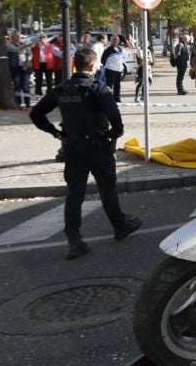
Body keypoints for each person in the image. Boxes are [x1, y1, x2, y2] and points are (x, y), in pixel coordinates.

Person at [30, 46, 142, 260]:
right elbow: (114, 115)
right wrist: (115, 133)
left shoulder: (62, 89)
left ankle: (74, 241)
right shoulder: (97, 87)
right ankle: (120, 225)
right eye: (97, 63)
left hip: (73, 147)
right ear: (92, 66)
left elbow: (36, 114)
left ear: (75, 65)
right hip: (98, 147)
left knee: (74, 194)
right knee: (107, 189)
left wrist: (56, 133)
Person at [6, 30, 31, 108]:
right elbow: (16, 50)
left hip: (25, 67)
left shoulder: (24, 44)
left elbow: (30, 54)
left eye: (19, 36)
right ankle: (18, 103)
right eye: (16, 36)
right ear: (12, 37)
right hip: (15, 68)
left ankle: (27, 104)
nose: (18, 37)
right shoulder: (9, 45)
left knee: (26, 86)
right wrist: (28, 45)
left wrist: (27, 61)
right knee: (17, 86)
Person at [101, 34, 126, 102]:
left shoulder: (120, 49)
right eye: (114, 40)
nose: (115, 41)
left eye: (116, 40)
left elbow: (121, 59)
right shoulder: (108, 50)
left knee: (117, 86)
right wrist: (109, 66)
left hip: (118, 71)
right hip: (110, 70)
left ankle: (117, 99)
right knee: (109, 86)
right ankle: (108, 99)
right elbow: (103, 60)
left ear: (119, 41)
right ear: (111, 41)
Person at [132, 36, 153, 101]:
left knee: (147, 82)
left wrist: (148, 60)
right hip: (142, 68)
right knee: (140, 83)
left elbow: (151, 61)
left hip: (148, 68)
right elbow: (141, 59)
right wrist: (147, 60)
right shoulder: (140, 50)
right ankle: (136, 97)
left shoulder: (148, 51)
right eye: (144, 43)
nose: (146, 44)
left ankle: (143, 96)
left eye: (147, 43)